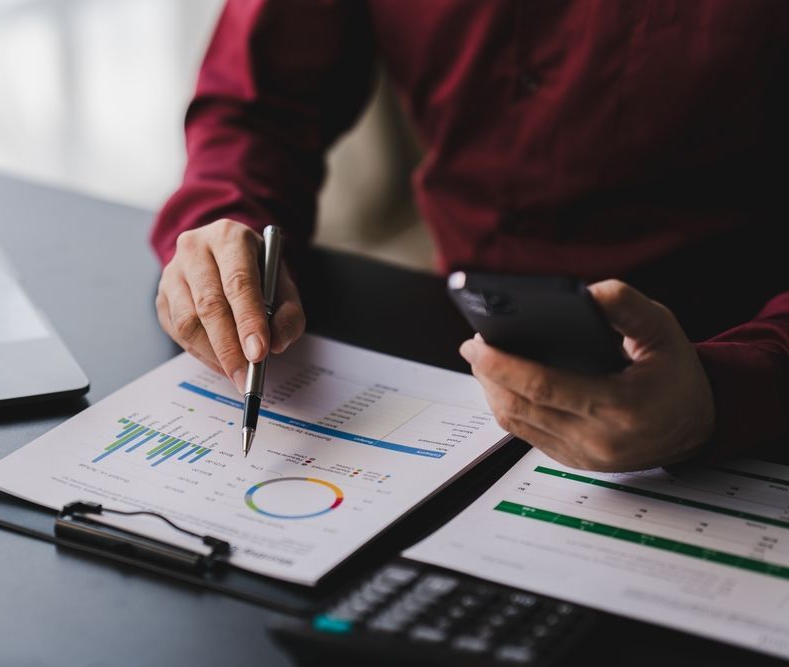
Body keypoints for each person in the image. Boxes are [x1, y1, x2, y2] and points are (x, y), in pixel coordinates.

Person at [151, 2, 788, 472]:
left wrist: (726, 392)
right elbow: (258, 105)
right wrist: (221, 225)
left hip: (740, 360)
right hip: (456, 348)